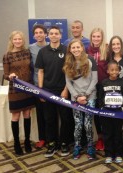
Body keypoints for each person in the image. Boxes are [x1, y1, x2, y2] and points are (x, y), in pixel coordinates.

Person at [35, 25, 74, 158]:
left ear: (60, 35)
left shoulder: (67, 50)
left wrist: (65, 90)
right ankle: (52, 144)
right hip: (47, 91)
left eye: (56, 33)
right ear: (48, 35)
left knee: (65, 118)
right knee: (49, 119)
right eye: (51, 33)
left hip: (63, 90)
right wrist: (40, 90)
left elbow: (70, 72)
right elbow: (40, 71)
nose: (53, 35)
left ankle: (64, 143)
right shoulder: (43, 52)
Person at [63, 39, 98, 159]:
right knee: (78, 124)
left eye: (78, 47)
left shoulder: (90, 60)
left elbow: (95, 79)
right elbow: (68, 82)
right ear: (70, 50)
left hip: (90, 97)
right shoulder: (68, 62)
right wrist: (77, 97)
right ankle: (77, 146)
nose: (76, 50)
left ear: (82, 48)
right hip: (75, 99)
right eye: (73, 48)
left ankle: (90, 147)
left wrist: (86, 95)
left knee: (88, 124)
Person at [3, 31, 35, 155]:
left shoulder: (27, 52)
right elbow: (5, 74)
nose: (18, 41)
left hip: (28, 88)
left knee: (27, 114)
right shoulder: (7, 55)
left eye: (20, 39)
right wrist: (10, 75)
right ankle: (17, 143)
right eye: (15, 39)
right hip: (15, 89)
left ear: (23, 40)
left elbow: (31, 69)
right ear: (11, 40)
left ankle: (27, 141)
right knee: (15, 116)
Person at [107, 35, 123, 155]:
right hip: (112, 93)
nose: (116, 46)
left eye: (118, 44)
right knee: (114, 122)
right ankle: (114, 145)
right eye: (113, 44)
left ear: (121, 45)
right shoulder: (108, 57)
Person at [99, 60, 123, 164]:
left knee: (118, 133)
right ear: (107, 71)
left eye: (116, 70)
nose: (114, 72)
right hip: (106, 113)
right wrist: (101, 108)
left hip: (118, 113)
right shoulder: (104, 82)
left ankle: (118, 153)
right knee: (107, 134)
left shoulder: (122, 82)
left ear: (119, 71)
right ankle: (108, 154)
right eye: (112, 70)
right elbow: (100, 97)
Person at [87, 27, 108, 151]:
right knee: (95, 113)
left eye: (98, 36)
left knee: (104, 111)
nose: (96, 39)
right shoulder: (86, 50)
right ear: (91, 38)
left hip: (104, 85)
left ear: (102, 37)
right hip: (91, 85)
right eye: (94, 36)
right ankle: (99, 138)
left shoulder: (106, 49)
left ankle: (107, 137)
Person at [29, 24, 48, 149]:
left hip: (52, 85)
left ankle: (54, 137)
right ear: (34, 35)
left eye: (41, 32)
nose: (39, 34)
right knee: (41, 114)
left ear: (45, 34)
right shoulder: (30, 48)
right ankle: (42, 138)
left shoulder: (50, 47)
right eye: (36, 32)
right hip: (37, 85)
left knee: (52, 114)